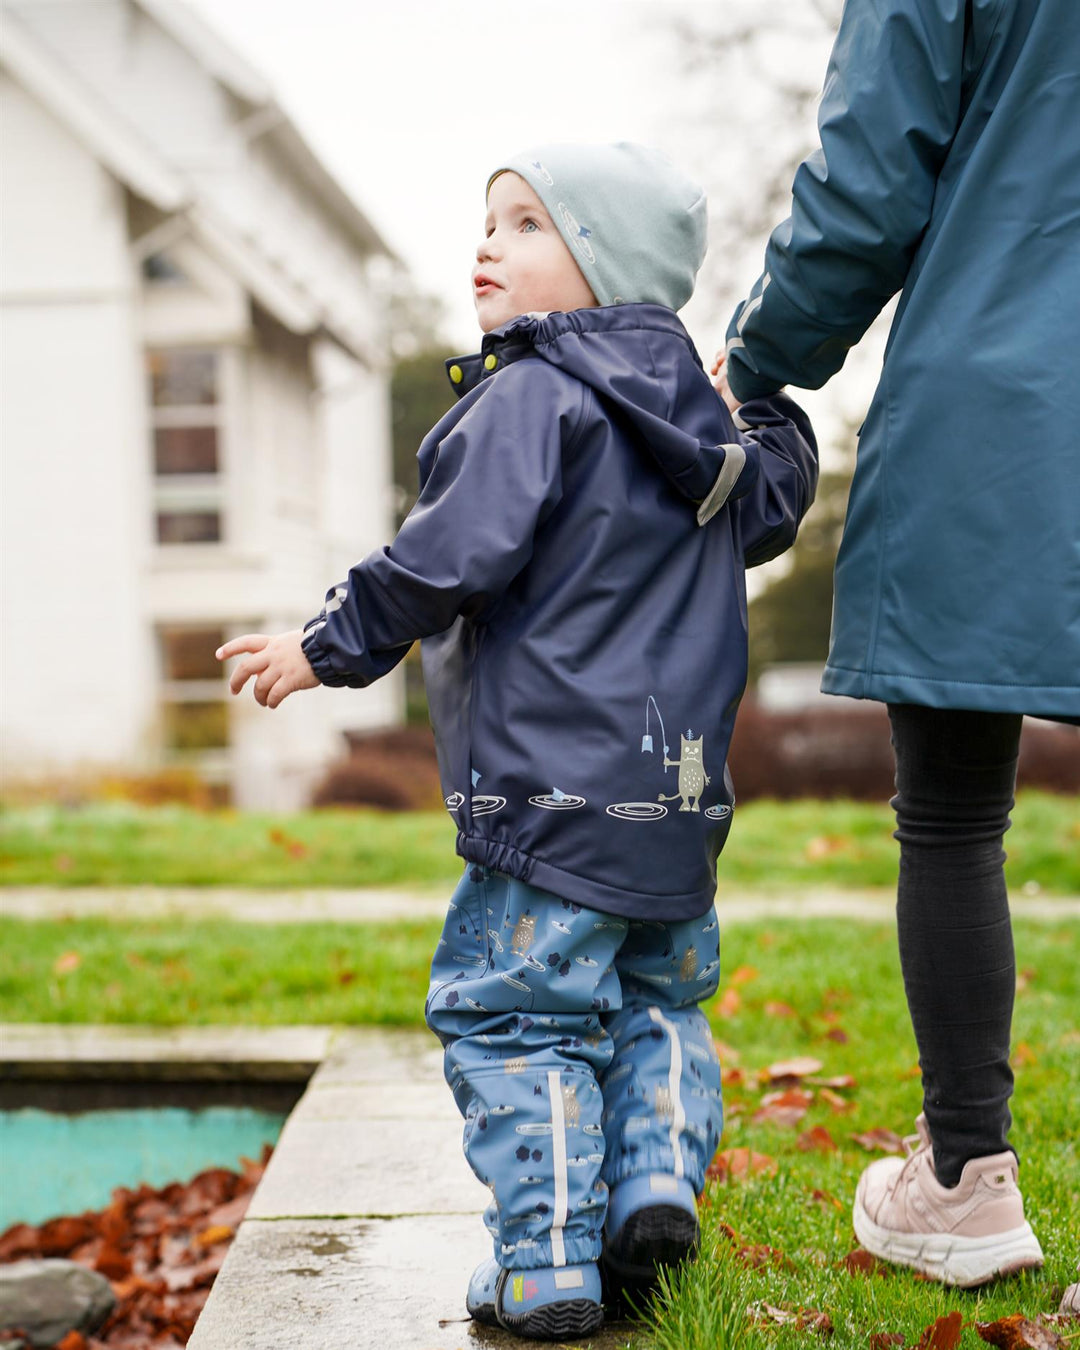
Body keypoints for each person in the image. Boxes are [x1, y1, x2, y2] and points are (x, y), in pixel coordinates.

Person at [218, 142, 817, 1340]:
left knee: (514, 1016)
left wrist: (324, 644)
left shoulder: (527, 401)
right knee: (656, 999)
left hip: (547, 804)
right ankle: (651, 1186)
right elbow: (778, 493)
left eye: (529, 224)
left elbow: (441, 560)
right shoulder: (703, 429)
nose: (488, 243)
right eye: (489, 220)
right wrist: (755, 403)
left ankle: (547, 1262)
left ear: (608, 270)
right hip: (679, 807)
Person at [715, 0, 1078, 1289]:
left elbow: (869, 188)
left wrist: (754, 358)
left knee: (954, 811)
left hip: (1010, 399)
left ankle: (965, 1182)